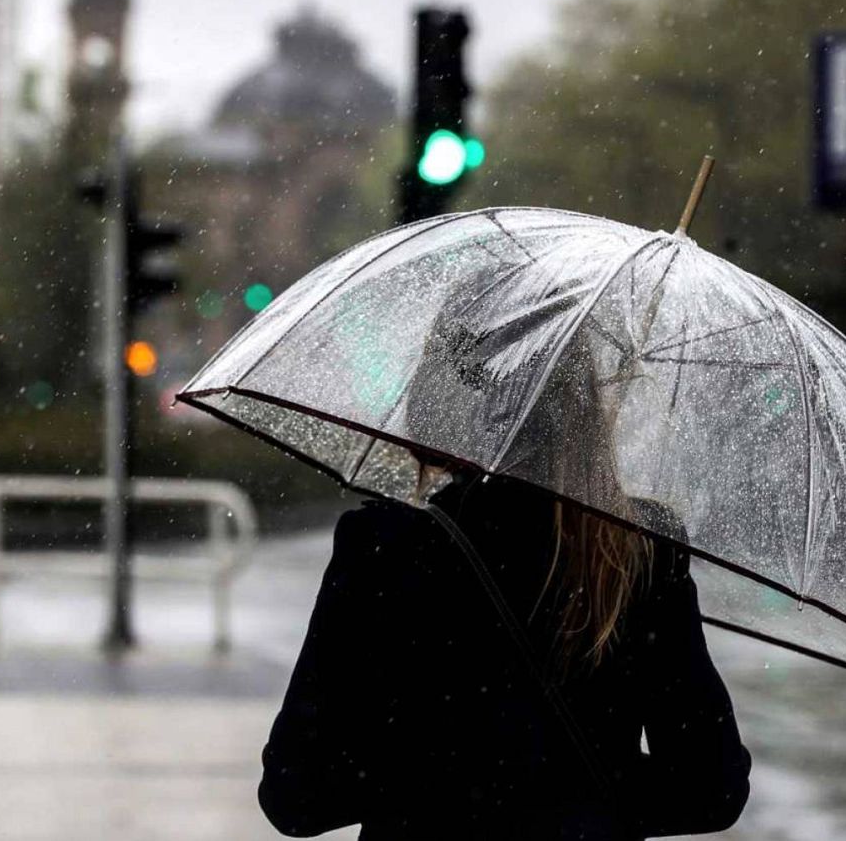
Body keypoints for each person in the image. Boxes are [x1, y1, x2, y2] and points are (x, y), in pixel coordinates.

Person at [258, 271, 751, 838]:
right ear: (579, 404)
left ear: (438, 396)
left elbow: (297, 794)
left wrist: (441, 776)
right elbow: (710, 788)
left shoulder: (386, 549)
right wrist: (571, 792)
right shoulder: (638, 548)